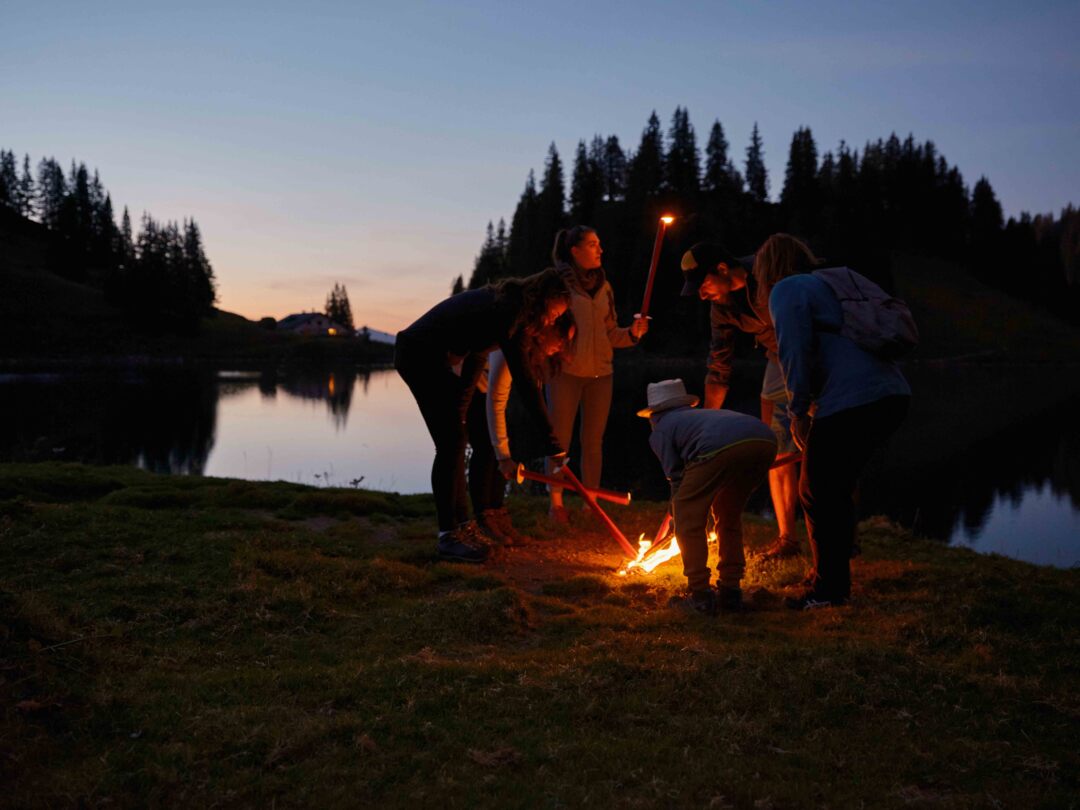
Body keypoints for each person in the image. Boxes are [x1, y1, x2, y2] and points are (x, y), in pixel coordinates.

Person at [755, 233, 911, 609]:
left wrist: (797, 409)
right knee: (831, 489)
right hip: (891, 393)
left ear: (768, 269)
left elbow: (792, 349)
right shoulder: (831, 283)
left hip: (853, 399)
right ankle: (828, 580)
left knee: (817, 490)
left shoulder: (787, 290)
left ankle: (827, 592)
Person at [395, 268, 570, 563]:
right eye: (555, 313)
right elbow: (525, 384)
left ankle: (464, 527)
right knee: (450, 443)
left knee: (456, 439)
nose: (554, 320)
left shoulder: (507, 309)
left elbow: (476, 352)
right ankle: (448, 536)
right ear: (544, 300)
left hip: (434, 358)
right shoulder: (510, 312)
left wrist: (461, 407)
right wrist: (553, 444)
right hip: (418, 354)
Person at [680, 242, 800, 561]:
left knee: (824, 442)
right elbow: (719, 365)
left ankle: (843, 532)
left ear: (721, 268)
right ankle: (787, 537)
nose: (702, 295)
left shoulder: (768, 269)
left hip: (811, 354)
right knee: (775, 448)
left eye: (703, 284)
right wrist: (705, 426)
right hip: (776, 360)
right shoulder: (721, 308)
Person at [640, 378, 777, 615]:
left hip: (717, 447)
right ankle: (731, 592)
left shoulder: (661, 429)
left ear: (654, 414)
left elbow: (676, 479)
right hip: (764, 441)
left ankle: (700, 595)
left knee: (688, 516)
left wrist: (677, 516)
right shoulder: (697, 418)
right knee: (728, 514)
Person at [546, 225, 649, 522]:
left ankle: (590, 501)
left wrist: (631, 333)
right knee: (558, 440)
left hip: (601, 374)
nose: (600, 249)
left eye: (599, 243)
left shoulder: (605, 287)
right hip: (564, 372)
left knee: (593, 441)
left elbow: (609, 333)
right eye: (592, 244)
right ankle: (556, 503)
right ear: (574, 251)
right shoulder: (557, 285)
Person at [469, 313, 576, 545]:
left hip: (486, 384)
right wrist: (503, 455)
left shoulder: (531, 350)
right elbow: (496, 399)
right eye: (561, 339)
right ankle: (483, 521)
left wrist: (552, 448)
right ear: (548, 329)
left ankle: (497, 514)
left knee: (503, 445)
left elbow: (533, 400)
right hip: (462, 372)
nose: (561, 346)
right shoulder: (514, 339)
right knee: (486, 447)